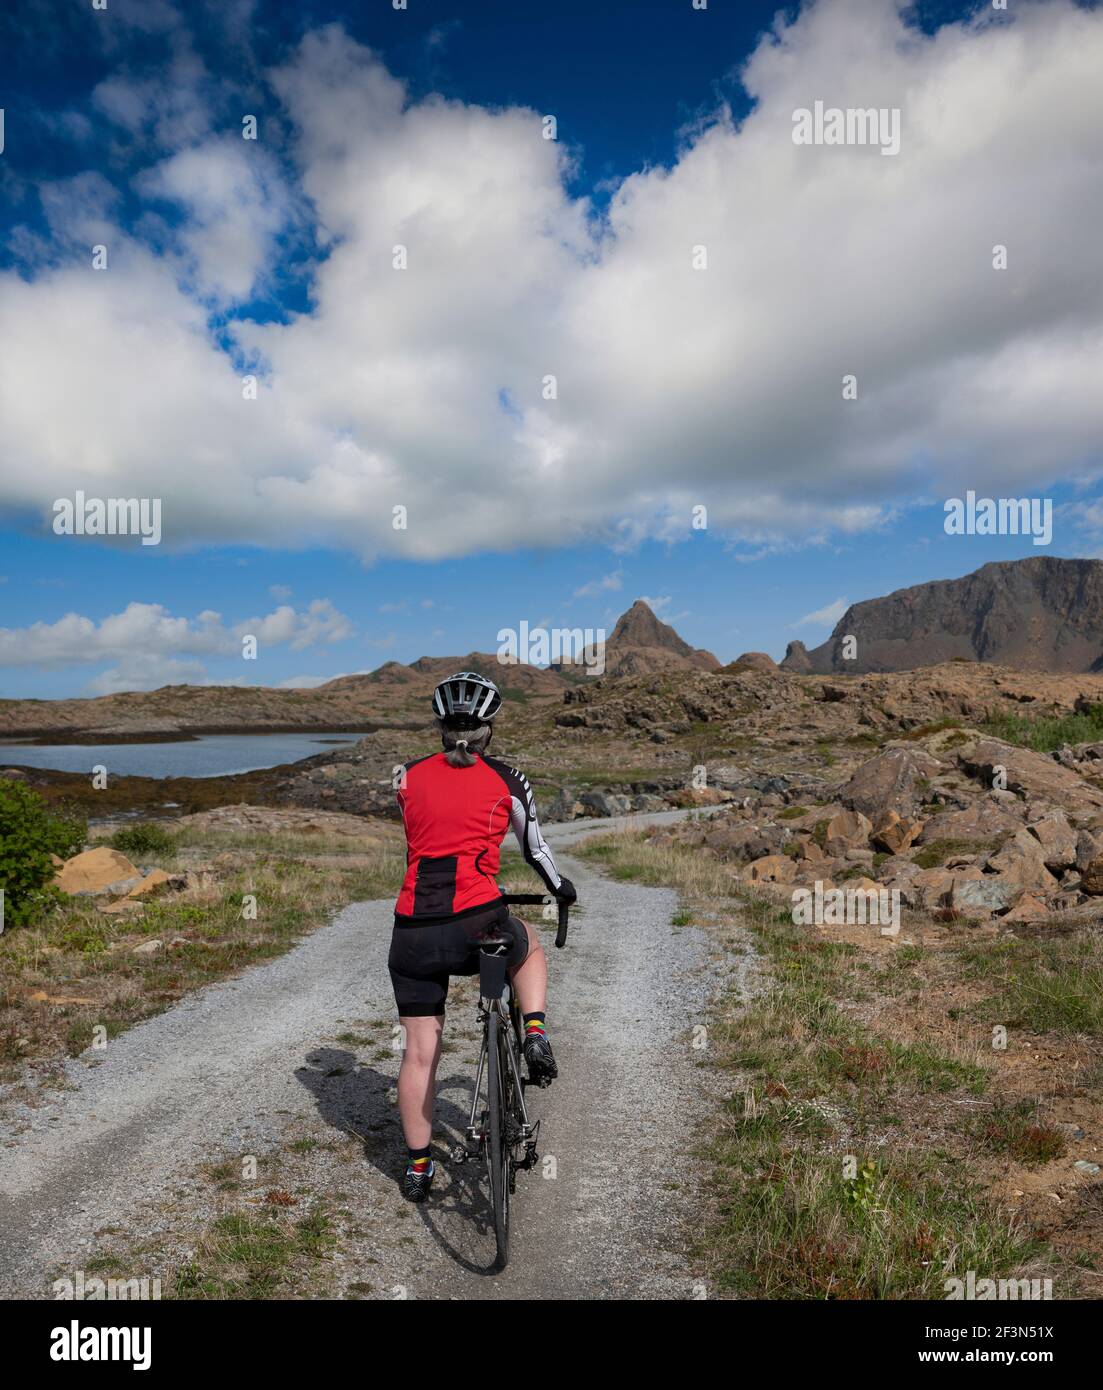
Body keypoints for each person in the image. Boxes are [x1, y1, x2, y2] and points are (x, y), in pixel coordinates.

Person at [389, 670, 576, 1202]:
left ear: (439, 726)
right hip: (479, 923)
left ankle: (420, 1168)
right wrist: (561, 889)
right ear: (489, 727)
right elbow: (535, 850)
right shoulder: (508, 780)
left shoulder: (405, 778)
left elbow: (420, 834)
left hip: (414, 933)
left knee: (419, 1055)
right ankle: (535, 1031)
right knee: (528, 942)